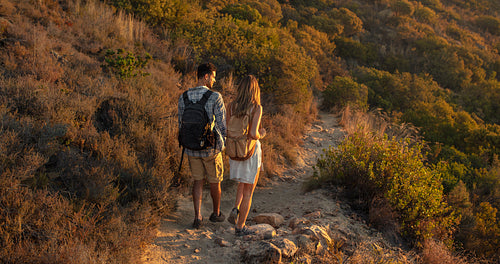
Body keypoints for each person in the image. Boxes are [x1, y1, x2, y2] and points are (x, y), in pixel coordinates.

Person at [178, 62, 227, 229]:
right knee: (215, 181)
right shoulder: (215, 97)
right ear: (206, 76)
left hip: (191, 147)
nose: (214, 80)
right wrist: (222, 144)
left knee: (197, 181)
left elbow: (180, 124)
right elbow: (221, 125)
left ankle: (198, 216)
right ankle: (216, 213)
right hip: (210, 148)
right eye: (213, 77)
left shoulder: (183, 96)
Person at [226, 75, 266, 236]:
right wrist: (262, 134)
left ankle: (236, 209)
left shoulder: (230, 106)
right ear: (255, 90)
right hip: (249, 151)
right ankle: (240, 227)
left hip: (234, 151)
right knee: (249, 189)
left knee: (241, 183)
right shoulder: (256, 107)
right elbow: (253, 133)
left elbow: (227, 129)